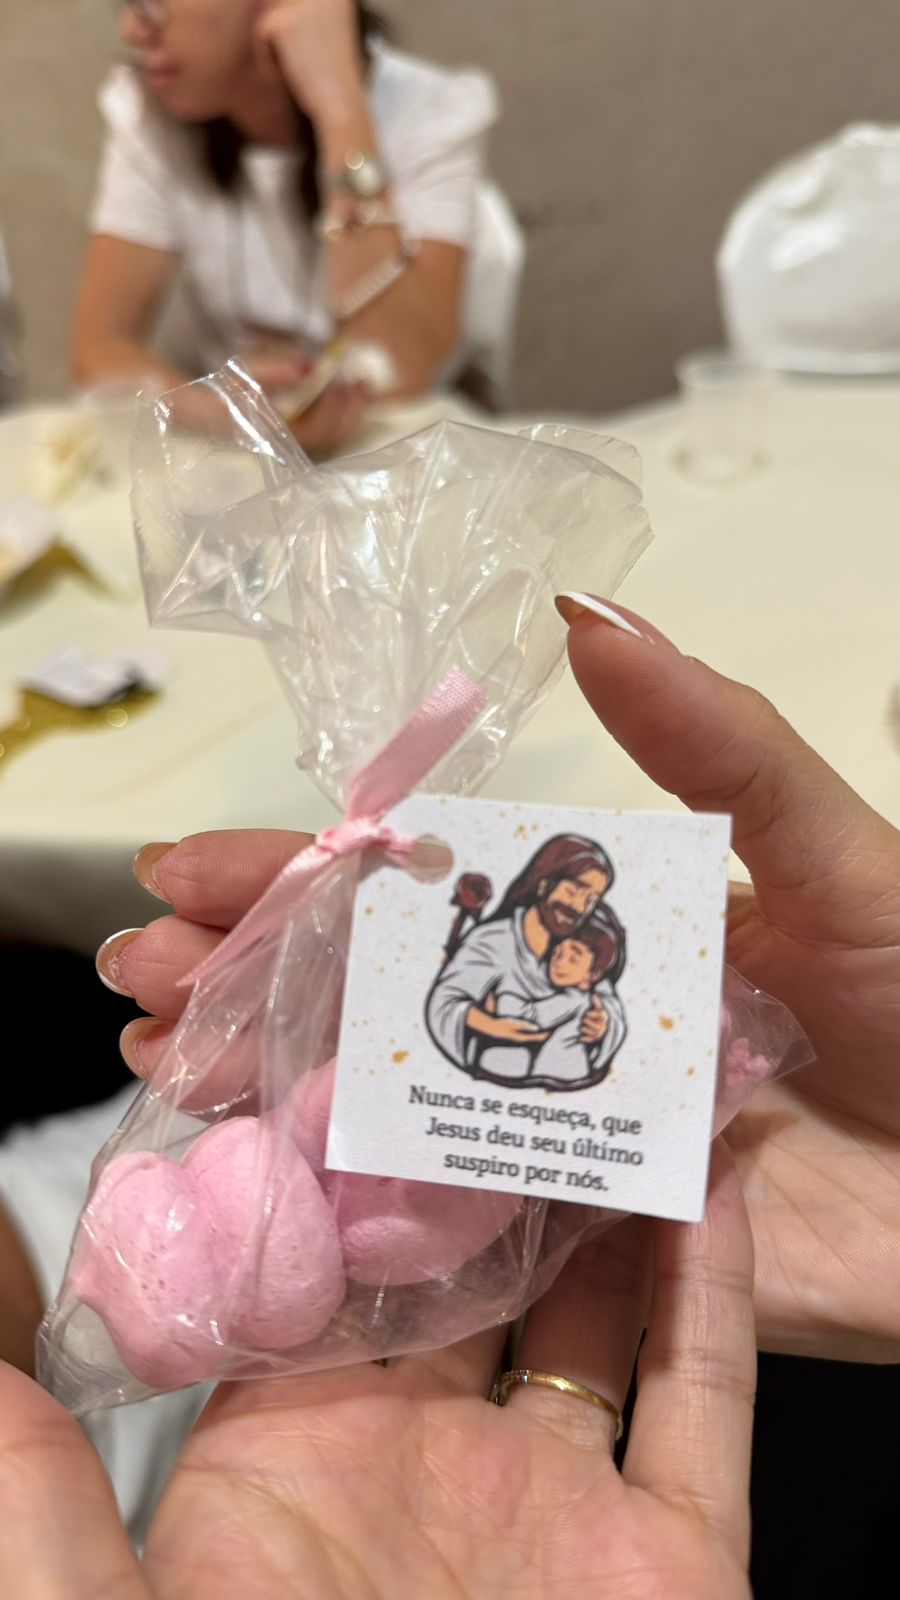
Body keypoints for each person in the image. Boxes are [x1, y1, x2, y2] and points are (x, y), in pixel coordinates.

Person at [1, 592, 899, 1592]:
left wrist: (610, 1037)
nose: (573, 919)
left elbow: (595, 1040)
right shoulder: (481, 944)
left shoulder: (596, 961)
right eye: (563, 898)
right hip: (355, 1188)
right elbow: (454, 1018)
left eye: (587, 906)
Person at [71, 0, 501, 455]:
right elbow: (99, 348)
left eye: (152, 5)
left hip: (401, 454)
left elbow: (401, 371)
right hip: (239, 460)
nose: (132, 30)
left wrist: (341, 110)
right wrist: (228, 415)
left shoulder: (429, 110)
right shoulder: (149, 110)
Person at [426, 833, 626, 1088]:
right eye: (573, 890)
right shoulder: (494, 939)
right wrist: (492, 1026)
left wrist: (601, 1023)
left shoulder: (580, 943)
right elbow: (445, 1002)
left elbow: (606, 999)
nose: (578, 907)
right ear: (544, 884)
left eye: (591, 899)